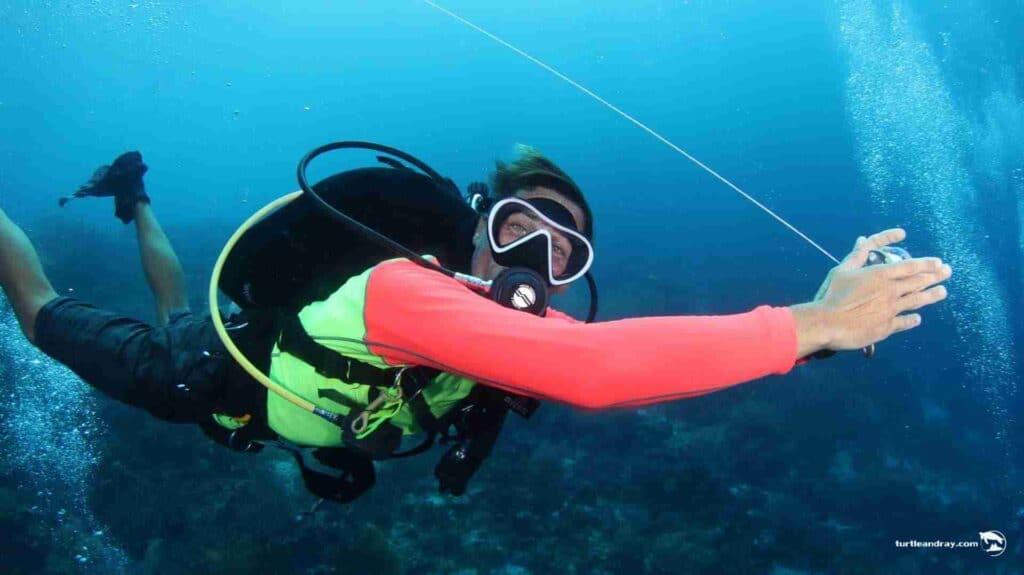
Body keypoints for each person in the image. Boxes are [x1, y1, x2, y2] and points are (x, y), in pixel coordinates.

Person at [0, 147, 952, 502]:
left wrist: (815, 348)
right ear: (473, 231)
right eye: (516, 231)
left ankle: (135, 196)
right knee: (44, 314)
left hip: (268, 403)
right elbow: (595, 373)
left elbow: (624, 368)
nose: (535, 266)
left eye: (564, 253)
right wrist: (808, 324)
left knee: (171, 299)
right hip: (208, 384)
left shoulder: (502, 346)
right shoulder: (405, 291)